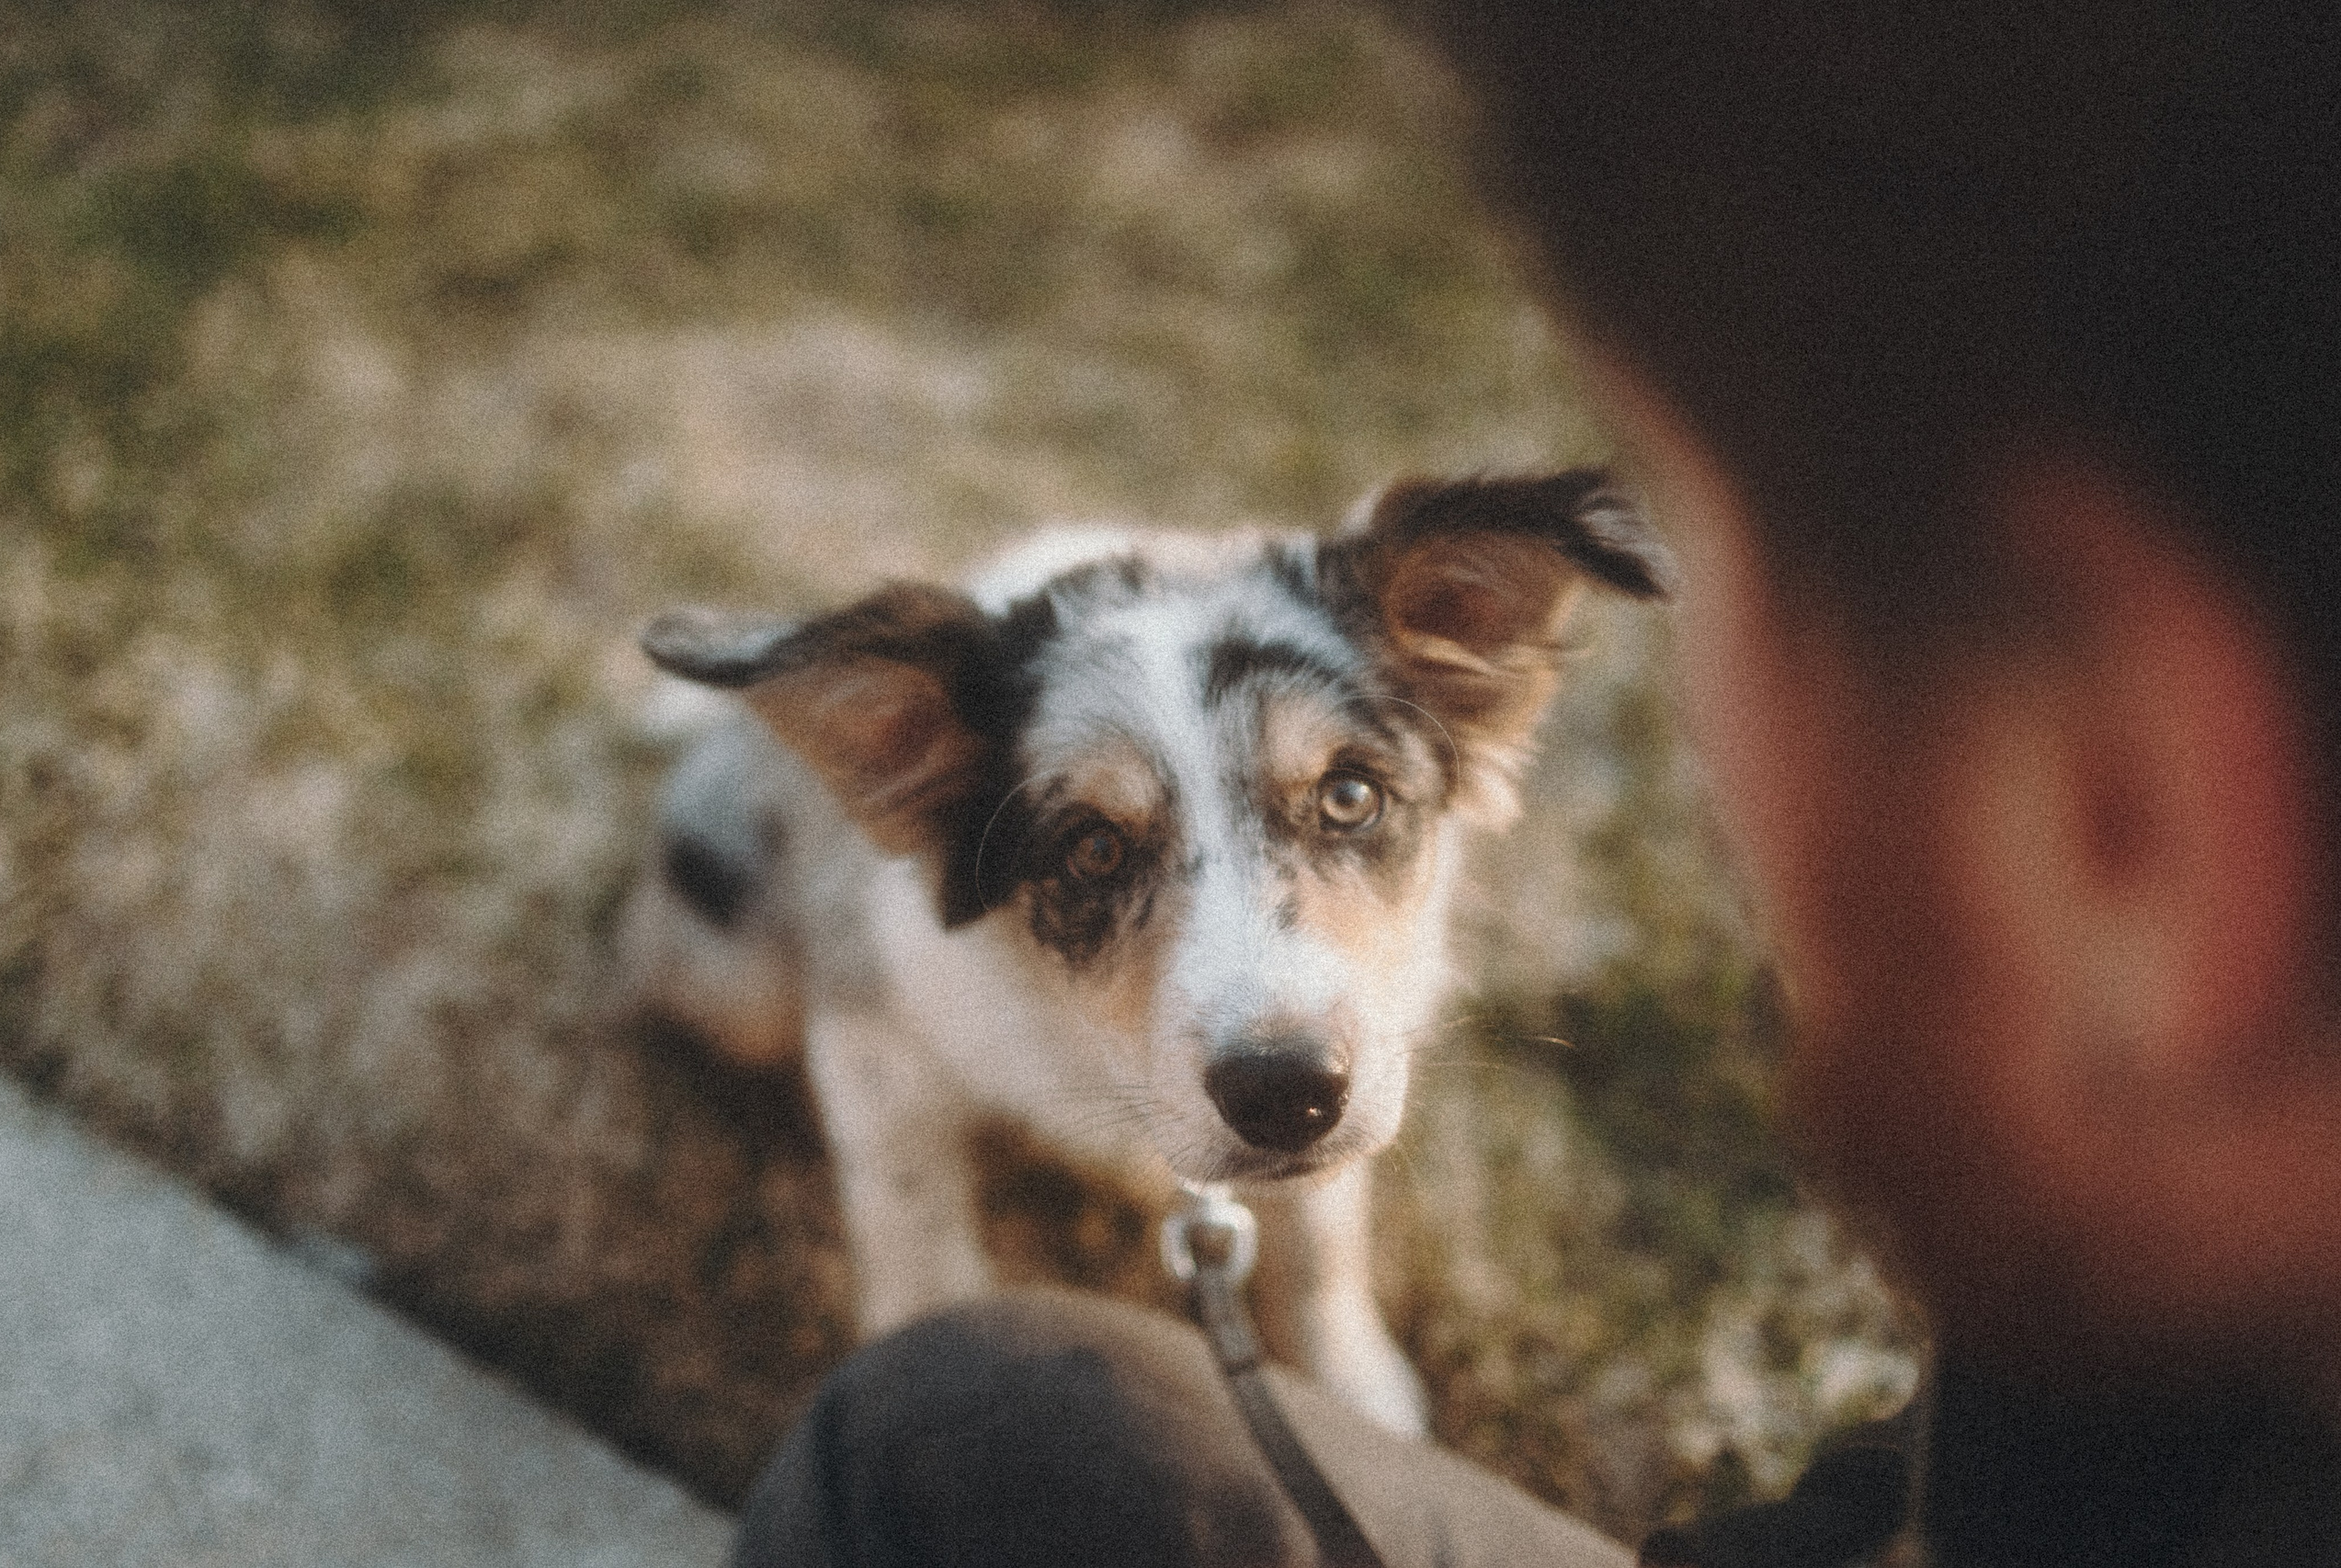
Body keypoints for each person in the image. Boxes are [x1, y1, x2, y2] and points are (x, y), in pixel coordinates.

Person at [730, 3, 2341, 1562]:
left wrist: (1324, 1315)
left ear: (2144, 800)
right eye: (1095, 847)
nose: (1267, 996)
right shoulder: (2162, 1295)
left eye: (1345, 802)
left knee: (925, 1442)